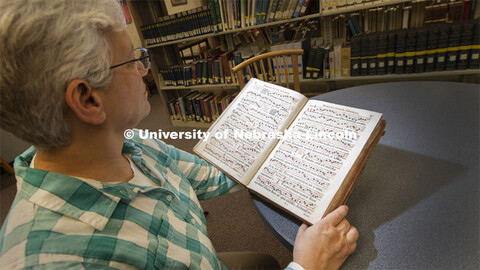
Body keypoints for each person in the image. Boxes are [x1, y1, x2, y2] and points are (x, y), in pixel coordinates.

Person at [0, 0, 358, 269]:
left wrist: (283, 132)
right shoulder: (57, 260)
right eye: (132, 59)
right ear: (88, 99)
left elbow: (219, 174)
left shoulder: (127, 144)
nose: (144, 69)